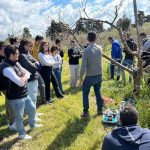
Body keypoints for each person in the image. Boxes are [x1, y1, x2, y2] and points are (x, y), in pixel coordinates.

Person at [1, 45, 42, 140]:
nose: (18, 55)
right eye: (17, 53)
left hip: (23, 93)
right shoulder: (6, 68)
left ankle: (33, 125)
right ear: (11, 55)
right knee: (19, 117)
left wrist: (24, 77)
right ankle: (22, 134)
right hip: (15, 97)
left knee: (32, 108)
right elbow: (19, 83)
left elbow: (28, 73)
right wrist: (23, 78)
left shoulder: (16, 63)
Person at [79, 32, 103, 117]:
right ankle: (100, 110)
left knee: (85, 94)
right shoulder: (100, 48)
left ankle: (86, 112)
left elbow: (83, 66)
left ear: (87, 39)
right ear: (95, 38)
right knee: (98, 92)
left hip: (90, 76)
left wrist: (80, 77)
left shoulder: (86, 50)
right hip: (99, 74)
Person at [18, 39, 43, 122]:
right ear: (24, 45)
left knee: (34, 97)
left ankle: (34, 113)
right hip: (29, 80)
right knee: (31, 98)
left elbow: (36, 61)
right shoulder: (21, 55)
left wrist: (36, 64)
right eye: (30, 46)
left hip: (34, 77)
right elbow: (30, 66)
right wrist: (36, 65)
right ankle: (32, 118)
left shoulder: (27, 53)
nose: (31, 47)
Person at [31, 35, 46, 103]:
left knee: (41, 83)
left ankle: (41, 96)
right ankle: (38, 98)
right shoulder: (32, 47)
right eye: (40, 41)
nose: (40, 42)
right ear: (36, 40)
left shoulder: (39, 46)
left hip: (40, 65)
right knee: (38, 83)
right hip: (35, 67)